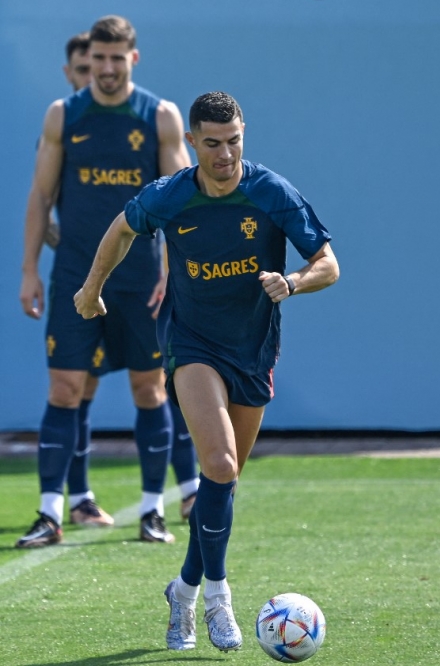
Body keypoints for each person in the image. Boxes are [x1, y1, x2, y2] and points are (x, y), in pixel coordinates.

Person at [74, 91, 339, 652]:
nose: (225, 154)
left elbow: (329, 264)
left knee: (224, 482)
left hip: (253, 351)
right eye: (213, 144)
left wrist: (291, 282)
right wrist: (91, 287)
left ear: (245, 135)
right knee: (216, 463)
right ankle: (219, 596)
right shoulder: (170, 196)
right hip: (192, 345)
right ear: (192, 143)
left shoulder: (270, 192)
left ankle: (183, 589)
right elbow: (121, 228)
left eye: (235, 141)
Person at [17, 15, 195, 549]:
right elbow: (40, 196)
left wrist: (175, 269)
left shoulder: (159, 117)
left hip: (141, 279)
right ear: (86, 60)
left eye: (118, 58)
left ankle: (151, 511)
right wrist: (29, 270)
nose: (108, 68)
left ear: (133, 60)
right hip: (75, 275)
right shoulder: (63, 116)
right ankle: (50, 514)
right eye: (99, 58)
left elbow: (182, 203)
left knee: (149, 388)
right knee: (65, 389)